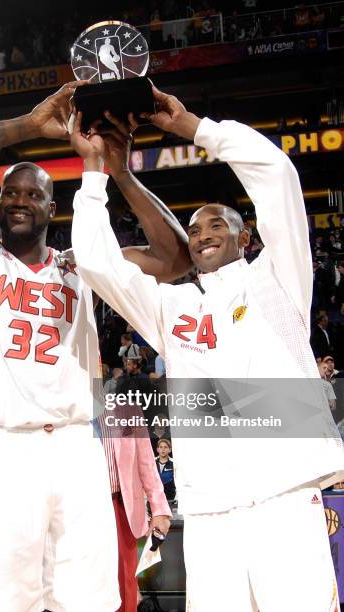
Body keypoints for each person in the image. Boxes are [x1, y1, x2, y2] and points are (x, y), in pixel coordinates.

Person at [0, 82, 190, 612]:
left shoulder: (81, 265)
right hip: (0, 446)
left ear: (51, 206)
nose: (19, 201)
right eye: (9, 193)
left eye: (32, 193)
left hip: (72, 447)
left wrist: (120, 171)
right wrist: (26, 125)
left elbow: (175, 258)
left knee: (89, 600)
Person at [70, 88, 344, 611]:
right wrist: (94, 174)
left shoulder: (278, 277)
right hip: (210, 511)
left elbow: (278, 174)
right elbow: (97, 262)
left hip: (284, 499)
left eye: (217, 223)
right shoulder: (172, 308)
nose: (202, 234)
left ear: (245, 239)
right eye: (193, 229)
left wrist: (196, 128)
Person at [97, 402, 171, 612]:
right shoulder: (67, 405)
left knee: (125, 585)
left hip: (121, 506)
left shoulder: (128, 408)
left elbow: (147, 461)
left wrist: (159, 509)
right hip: (82, 506)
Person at [155, 437, 176, 502]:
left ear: (169, 449)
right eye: (161, 447)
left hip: (170, 498)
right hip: (155, 498)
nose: (163, 449)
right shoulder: (152, 463)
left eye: (165, 447)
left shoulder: (174, 463)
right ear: (157, 449)